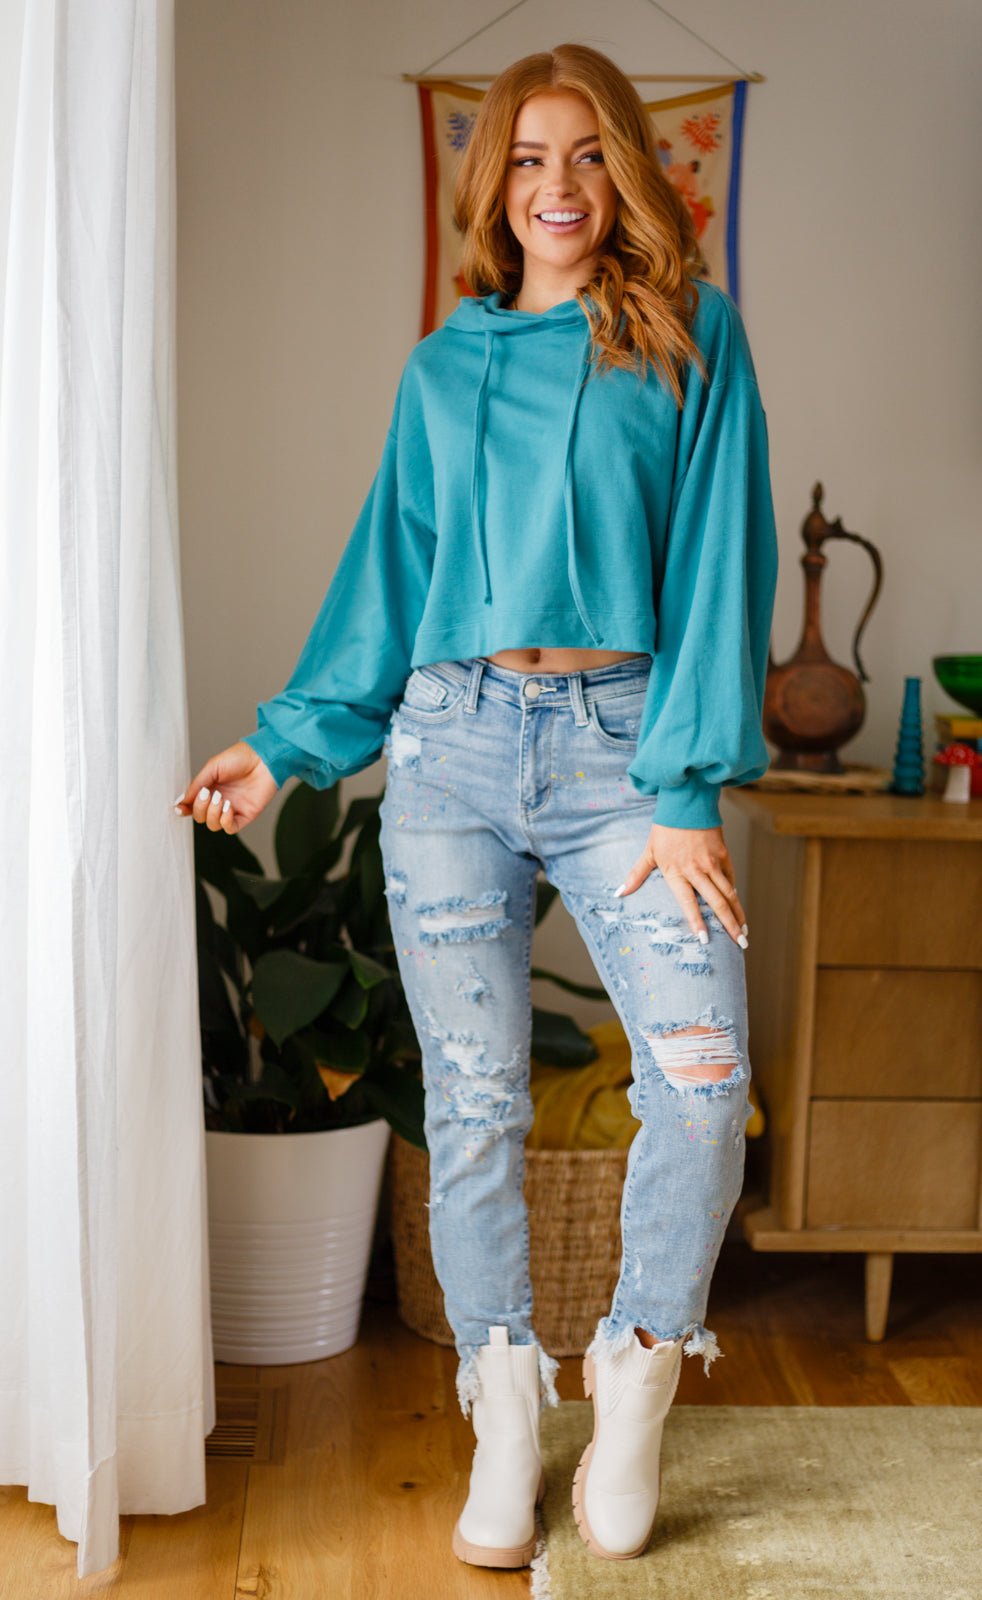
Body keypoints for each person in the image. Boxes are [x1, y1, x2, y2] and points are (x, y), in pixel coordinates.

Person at [176, 42, 778, 1570]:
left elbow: (721, 562)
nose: (555, 185)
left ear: (626, 173)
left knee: (701, 1083)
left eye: (584, 155)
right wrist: (284, 745)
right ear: (490, 181)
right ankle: (505, 1414)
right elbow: (391, 571)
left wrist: (685, 784)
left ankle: (635, 1380)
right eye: (524, 156)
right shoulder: (443, 366)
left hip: (627, 753)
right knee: (472, 1106)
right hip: (450, 746)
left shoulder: (688, 337)